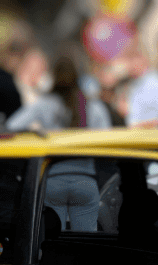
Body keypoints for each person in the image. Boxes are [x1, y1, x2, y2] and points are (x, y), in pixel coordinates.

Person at [7, 57, 110, 231]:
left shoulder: (45, 104)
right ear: (78, 76)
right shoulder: (93, 106)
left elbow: (12, 126)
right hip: (85, 180)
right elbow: (108, 139)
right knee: (85, 241)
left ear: (54, 76)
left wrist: (37, 135)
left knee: (53, 240)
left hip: (53, 179)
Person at [124, 45, 158, 127]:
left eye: (131, 60)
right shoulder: (135, 84)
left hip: (154, 134)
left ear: (143, 59)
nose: (128, 65)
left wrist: (142, 126)